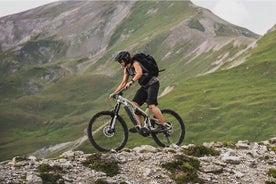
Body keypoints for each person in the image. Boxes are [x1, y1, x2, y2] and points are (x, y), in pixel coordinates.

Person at [109, 51, 166, 133]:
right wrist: (114, 93)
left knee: (151, 105)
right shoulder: (126, 69)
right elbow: (123, 82)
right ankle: (139, 126)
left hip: (153, 83)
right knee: (135, 104)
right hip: (144, 86)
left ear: (126, 59)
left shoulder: (135, 63)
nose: (120, 63)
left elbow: (139, 73)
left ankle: (163, 125)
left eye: (121, 61)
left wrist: (131, 82)